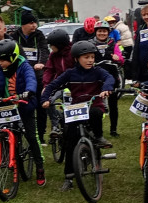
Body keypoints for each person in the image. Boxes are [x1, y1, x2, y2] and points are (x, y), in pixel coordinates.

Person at [42, 41, 115, 191]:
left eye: (92, 57)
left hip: (94, 105)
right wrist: (45, 99)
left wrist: (106, 88)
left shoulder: (98, 71)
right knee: (70, 142)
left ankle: (98, 136)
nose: (90, 60)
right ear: (76, 59)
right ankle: (69, 177)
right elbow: (52, 85)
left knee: (95, 113)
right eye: (86, 57)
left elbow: (110, 78)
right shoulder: (69, 73)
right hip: (77, 109)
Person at [0, 39, 46, 186]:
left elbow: (31, 80)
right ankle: (6, 156)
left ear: (12, 57)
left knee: (32, 136)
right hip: (6, 105)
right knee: (3, 130)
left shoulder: (25, 67)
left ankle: (39, 166)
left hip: (23, 105)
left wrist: (29, 92)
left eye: (2, 60)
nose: (0, 63)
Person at [9, 11, 50, 142]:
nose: (34, 25)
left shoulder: (39, 35)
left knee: (41, 105)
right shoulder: (14, 36)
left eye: (35, 22)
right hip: (21, 75)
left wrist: (41, 63)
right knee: (22, 104)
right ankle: (20, 132)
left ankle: (41, 135)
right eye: (31, 23)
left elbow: (44, 50)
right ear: (23, 25)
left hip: (38, 74)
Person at [91, 20, 125, 137]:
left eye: (104, 31)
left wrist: (117, 58)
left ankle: (113, 130)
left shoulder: (113, 44)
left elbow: (121, 60)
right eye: (99, 31)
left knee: (113, 105)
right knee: (96, 105)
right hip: (95, 78)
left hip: (112, 78)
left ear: (108, 32)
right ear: (96, 32)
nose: (102, 33)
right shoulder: (90, 44)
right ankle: (96, 130)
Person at [42, 28, 75, 135]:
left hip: (74, 85)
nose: (51, 47)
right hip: (59, 84)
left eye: (52, 45)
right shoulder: (53, 55)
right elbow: (49, 70)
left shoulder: (73, 53)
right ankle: (55, 124)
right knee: (48, 99)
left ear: (60, 45)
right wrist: (46, 85)